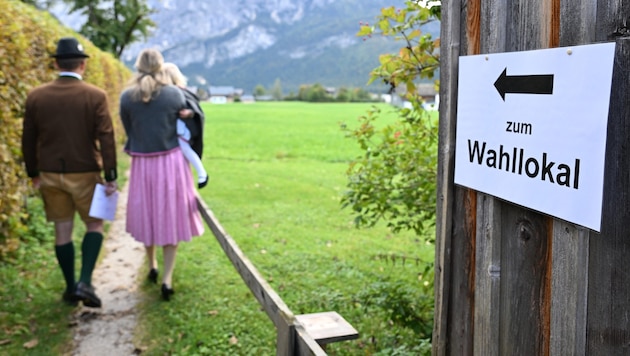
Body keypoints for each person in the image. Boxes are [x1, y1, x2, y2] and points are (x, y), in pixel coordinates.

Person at [21, 37, 118, 308]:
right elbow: (107, 137)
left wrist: (33, 172)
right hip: (85, 171)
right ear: (83, 65)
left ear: (55, 63)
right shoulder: (96, 95)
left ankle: (69, 287)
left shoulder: (36, 96)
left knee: (62, 231)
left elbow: (28, 138)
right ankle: (85, 282)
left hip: (50, 173)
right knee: (95, 225)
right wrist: (110, 175)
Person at [119, 49, 204, 301]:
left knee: (148, 214)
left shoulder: (127, 97)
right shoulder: (174, 94)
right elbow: (192, 119)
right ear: (160, 66)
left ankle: (151, 264)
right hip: (170, 163)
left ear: (138, 66)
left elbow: (129, 129)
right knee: (170, 215)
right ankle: (167, 278)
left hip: (143, 164)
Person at [161, 62, 208, 188]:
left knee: (185, 149)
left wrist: (190, 113)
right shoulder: (167, 93)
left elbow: (195, 109)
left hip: (181, 131)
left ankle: (202, 172)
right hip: (174, 132)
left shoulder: (180, 92)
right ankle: (201, 173)